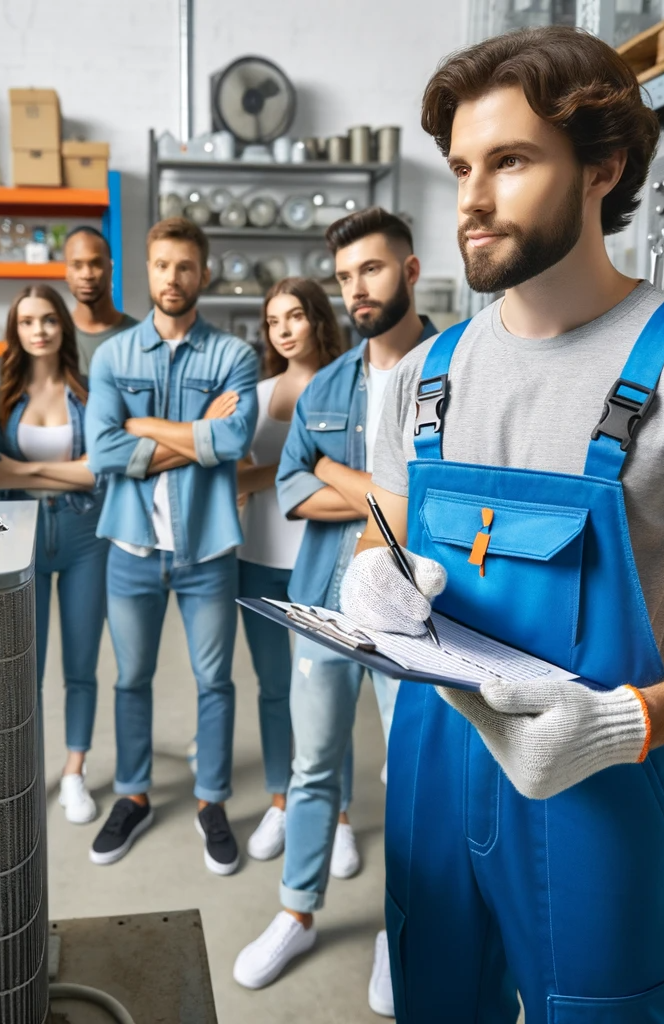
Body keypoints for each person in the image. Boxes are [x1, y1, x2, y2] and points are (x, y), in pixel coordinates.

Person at [338, 27, 664, 1022]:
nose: (470, 196)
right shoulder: (422, 378)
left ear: (603, 167)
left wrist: (630, 721)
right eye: (461, 165)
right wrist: (368, 584)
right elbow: (380, 534)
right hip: (429, 774)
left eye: (508, 161)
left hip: (595, 787)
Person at [234, 208, 437, 1014]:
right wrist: (377, 496)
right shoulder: (325, 384)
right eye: (347, 275)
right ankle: (296, 913)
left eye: (374, 270)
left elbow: (435, 504)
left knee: (408, 783)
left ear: (412, 271)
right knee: (313, 764)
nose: (358, 288)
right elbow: (290, 489)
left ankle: (401, 932)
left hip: (418, 617)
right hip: (325, 601)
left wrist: (340, 475)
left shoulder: (458, 368)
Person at [85, 217, 259, 875]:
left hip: (207, 552)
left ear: (203, 274)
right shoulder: (113, 357)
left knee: (214, 680)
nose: (173, 278)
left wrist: (144, 427)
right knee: (130, 678)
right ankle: (133, 794)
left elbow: (233, 443)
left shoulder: (234, 357)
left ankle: (211, 801)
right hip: (130, 548)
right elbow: (102, 449)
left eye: (186, 267)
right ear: (148, 271)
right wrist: (193, 436)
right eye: (162, 266)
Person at [0, 284, 108, 825]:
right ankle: (29, 772)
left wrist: (24, 468)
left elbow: (98, 469)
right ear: (16, 330)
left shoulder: (91, 391)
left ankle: (74, 771)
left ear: (63, 327)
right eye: (28, 321)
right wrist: (59, 469)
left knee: (81, 666)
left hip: (84, 534)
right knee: (23, 668)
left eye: (48, 320)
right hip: (18, 535)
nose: (38, 330)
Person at [237, 277, 345, 862]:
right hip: (257, 556)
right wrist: (298, 469)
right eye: (273, 319)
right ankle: (281, 801)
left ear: (317, 319)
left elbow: (350, 466)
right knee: (275, 689)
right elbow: (233, 476)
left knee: (329, 689)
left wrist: (283, 475)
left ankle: (342, 813)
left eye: (294, 316)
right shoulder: (254, 395)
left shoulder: (344, 386)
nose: (282, 329)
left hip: (322, 558)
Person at [64, 226, 137, 375]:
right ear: (67, 272)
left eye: (95, 263)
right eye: (77, 265)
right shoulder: (56, 336)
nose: (87, 274)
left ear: (110, 268)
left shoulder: (138, 336)